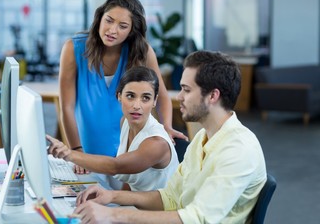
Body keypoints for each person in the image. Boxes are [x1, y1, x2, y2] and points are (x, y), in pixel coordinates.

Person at [72, 50, 267, 223]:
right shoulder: (201, 138)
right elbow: (170, 198)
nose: (179, 96)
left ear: (213, 96)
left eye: (187, 90)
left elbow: (199, 218)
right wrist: (112, 197)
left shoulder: (238, 149)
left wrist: (113, 215)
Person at [58, 0, 187, 176]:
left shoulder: (142, 52)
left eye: (123, 26)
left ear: (131, 30)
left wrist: (166, 126)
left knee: (124, 198)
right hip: (88, 154)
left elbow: (162, 95)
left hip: (130, 155)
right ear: (100, 17)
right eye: (109, 20)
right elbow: (67, 107)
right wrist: (77, 151)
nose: (112, 30)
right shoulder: (73, 49)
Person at [48, 66, 179, 191]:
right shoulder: (126, 122)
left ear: (154, 101)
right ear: (119, 96)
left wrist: (69, 154)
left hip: (160, 212)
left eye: (146, 98)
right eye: (130, 96)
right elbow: (131, 181)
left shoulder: (156, 143)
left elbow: (116, 166)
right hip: (137, 206)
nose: (136, 105)